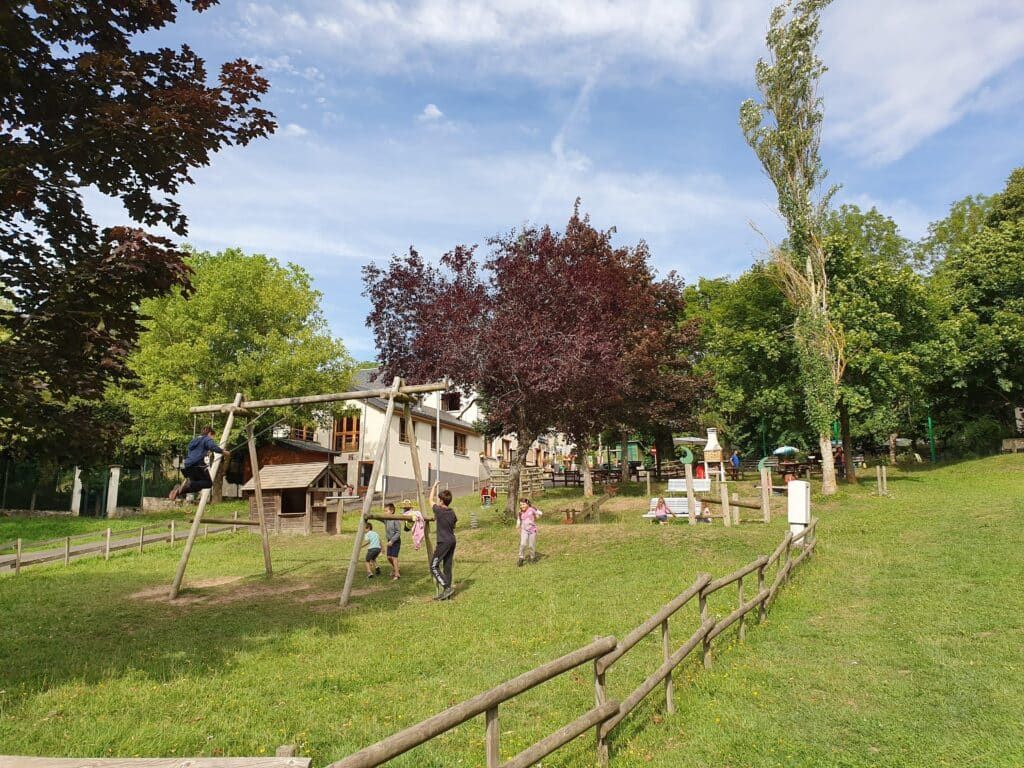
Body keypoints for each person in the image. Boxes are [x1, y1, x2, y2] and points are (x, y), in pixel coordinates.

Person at [169, 426, 229, 501]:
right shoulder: (207, 438)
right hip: (197, 466)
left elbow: (194, 451)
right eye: (213, 436)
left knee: (197, 487)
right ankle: (188, 484)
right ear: (210, 433)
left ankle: (177, 491)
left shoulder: (194, 440)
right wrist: (224, 452)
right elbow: (213, 447)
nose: (212, 439)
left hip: (186, 465)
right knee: (208, 483)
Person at [429, 480, 457, 600]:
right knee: (447, 566)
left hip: (444, 542)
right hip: (452, 540)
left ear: (441, 501)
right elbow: (453, 525)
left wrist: (434, 486)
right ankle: (448, 591)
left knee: (433, 566)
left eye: (439, 500)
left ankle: (446, 587)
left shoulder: (439, 510)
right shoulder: (452, 513)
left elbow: (430, 500)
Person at [516, 498, 543, 565]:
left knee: (531, 545)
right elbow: (519, 519)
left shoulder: (531, 509)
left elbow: (540, 513)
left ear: (527, 504)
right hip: (524, 530)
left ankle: (532, 558)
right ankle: (521, 558)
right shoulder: (520, 512)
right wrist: (518, 524)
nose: (522, 506)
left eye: (523, 504)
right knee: (523, 544)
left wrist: (538, 515)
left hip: (532, 530)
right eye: (520, 505)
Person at [383, 503, 402, 580]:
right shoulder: (386, 519)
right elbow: (379, 518)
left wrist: (392, 541)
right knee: (388, 557)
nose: (385, 512)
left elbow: (398, 532)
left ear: (392, 511)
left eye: (386, 511)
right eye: (384, 511)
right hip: (389, 540)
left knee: (394, 557)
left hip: (396, 541)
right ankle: (396, 568)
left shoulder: (395, 519)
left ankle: (397, 574)